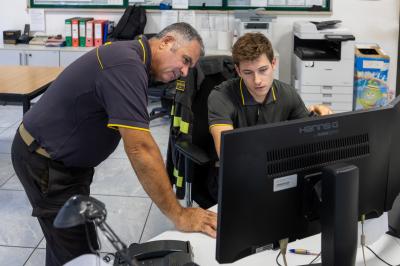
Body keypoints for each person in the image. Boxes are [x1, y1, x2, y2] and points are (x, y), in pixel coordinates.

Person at [11, 22, 216, 266]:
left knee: (70, 244)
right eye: (184, 60)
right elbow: (140, 148)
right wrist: (179, 214)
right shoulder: (126, 65)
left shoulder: (133, 56)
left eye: (189, 67)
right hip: (46, 164)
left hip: (65, 163)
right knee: (77, 254)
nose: (184, 72)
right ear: (167, 42)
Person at [207, 32, 332, 197]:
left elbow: (308, 140)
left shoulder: (287, 94)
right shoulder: (221, 96)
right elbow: (227, 155)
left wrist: (319, 118)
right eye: (248, 72)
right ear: (237, 70)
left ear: (274, 63)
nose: (257, 80)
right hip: (237, 179)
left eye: (263, 70)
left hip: (278, 175)